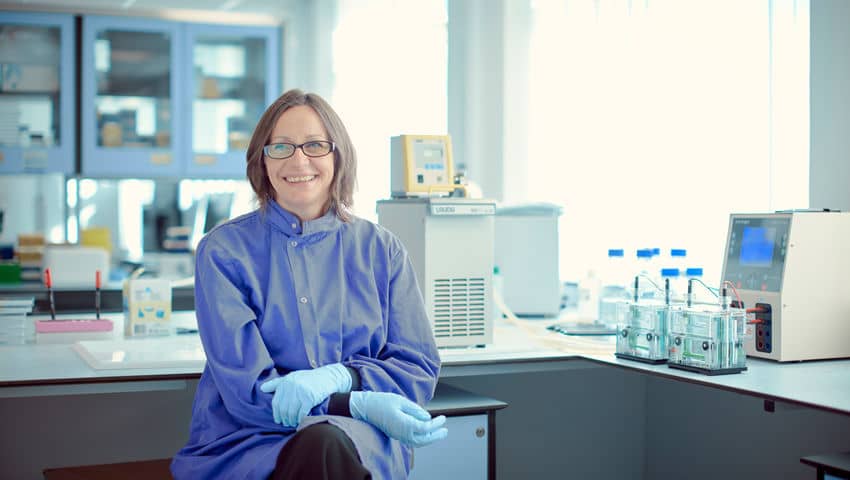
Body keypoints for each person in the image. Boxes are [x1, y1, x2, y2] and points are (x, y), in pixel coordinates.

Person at [171, 89, 447, 480]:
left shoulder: (381, 250)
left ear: (338, 155)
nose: (299, 160)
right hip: (255, 442)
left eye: (315, 145)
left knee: (329, 446)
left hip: (358, 443)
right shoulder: (224, 252)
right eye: (281, 147)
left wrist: (343, 378)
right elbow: (248, 394)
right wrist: (356, 403)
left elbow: (416, 368)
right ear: (261, 160)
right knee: (322, 447)